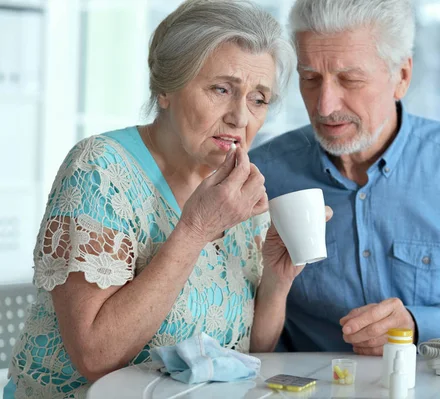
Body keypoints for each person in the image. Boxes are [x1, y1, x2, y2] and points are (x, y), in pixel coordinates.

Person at [4, 1, 323, 397]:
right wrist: (195, 230)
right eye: (221, 89)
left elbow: (246, 356)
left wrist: (277, 282)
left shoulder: (238, 191)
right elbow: (95, 357)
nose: (240, 118)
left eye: (258, 99)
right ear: (165, 88)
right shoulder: (99, 169)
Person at [249, 0, 440, 355]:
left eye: (350, 79)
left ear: (401, 76)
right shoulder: (262, 174)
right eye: (310, 78)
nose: (324, 106)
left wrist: (419, 326)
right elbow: (236, 330)